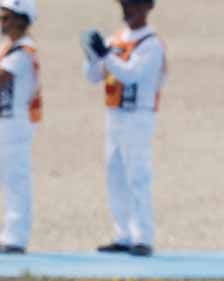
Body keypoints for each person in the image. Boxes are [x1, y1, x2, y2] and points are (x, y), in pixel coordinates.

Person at [83, 0, 166, 258]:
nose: (127, 8)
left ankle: (143, 237)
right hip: (114, 113)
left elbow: (131, 74)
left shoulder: (152, 44)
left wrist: (107, 55)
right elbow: (93, 76)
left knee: (137, 175)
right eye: (125, 3)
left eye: (133, 4)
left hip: (138, 115)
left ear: (147, 7)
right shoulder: (116, 39)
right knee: (115, 174)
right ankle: (123, 234)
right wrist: (91, 54)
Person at [0, 0, 41, 255]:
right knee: (6, 176)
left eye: (7, 17)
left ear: (22, 20)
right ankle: (9, 233)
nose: (1, 22)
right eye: (1, 17)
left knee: (16, 178)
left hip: (15, 120)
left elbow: (1, 78)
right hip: (1, 118)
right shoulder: (6, 49)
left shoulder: (24, 51)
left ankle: (16, 236)